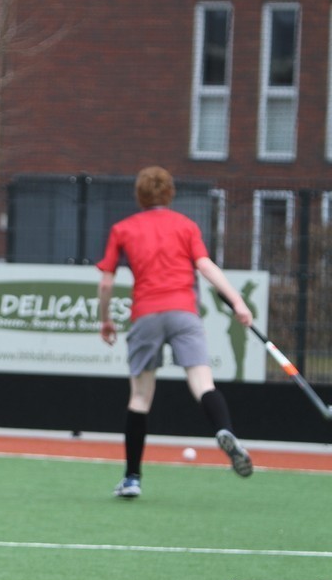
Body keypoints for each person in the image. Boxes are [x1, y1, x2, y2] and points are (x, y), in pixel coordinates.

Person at [97, 166, 253, 499]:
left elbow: (106, 283)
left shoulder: (123, 228)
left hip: (146, 315)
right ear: (170, 194)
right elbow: (206, 266)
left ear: (139, 195)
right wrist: (238, 302)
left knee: (140, 398)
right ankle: (224, 429)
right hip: (184, 312)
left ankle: (132, 478)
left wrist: (105, 319)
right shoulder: (186, 225)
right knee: (203, 383)